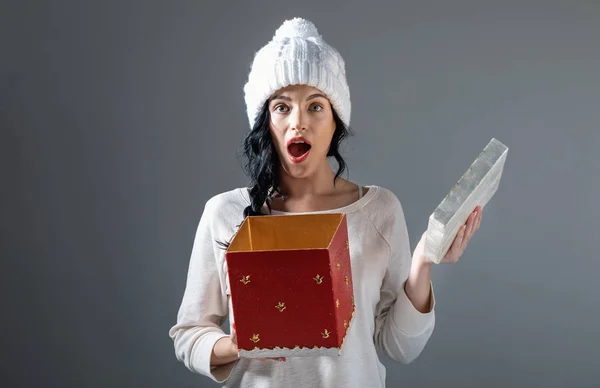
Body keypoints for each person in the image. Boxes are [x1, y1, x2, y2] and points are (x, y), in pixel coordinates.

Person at [168, 17, 482, 388]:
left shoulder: (378, 210)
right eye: (282, 107)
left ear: (336, 121)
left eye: (315, 107)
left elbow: (400, 348)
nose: (298, 123)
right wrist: (234, 346)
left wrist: (423, 264)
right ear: (264, 122)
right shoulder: (224, 213)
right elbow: (189, 334)